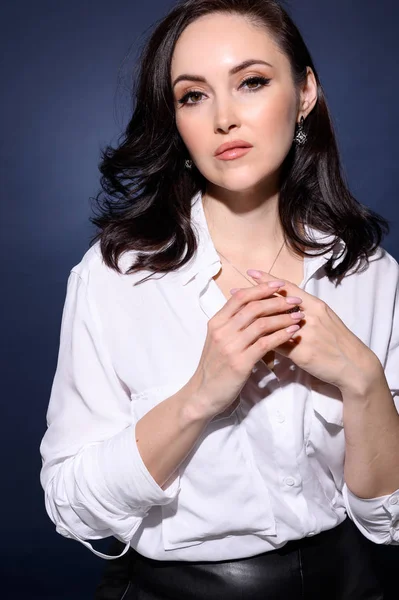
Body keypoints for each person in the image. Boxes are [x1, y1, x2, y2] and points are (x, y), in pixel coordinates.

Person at [39, 0, 399, 598]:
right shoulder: (116, 278)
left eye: (251, 82)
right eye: (193, 96)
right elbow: (72, 508)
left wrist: (360, 378)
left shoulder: (368, 273)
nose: (225, 118)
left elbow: (389, 520)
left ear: (305, 92)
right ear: (175, 119)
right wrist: (199, 397)